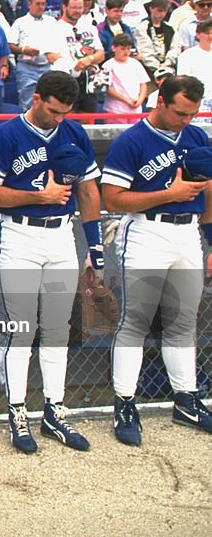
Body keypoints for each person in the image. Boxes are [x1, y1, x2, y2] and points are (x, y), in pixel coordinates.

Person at [0, 71, 102, 454]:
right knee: (22, 328)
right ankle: (17, 411)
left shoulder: (73, 132)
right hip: (20, 235)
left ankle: (54, 410)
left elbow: (87, 190)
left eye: (65, 112)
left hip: (62, 235)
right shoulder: (5, 135)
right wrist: (39, 197)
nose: (59, 118)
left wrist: (95, 246)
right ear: (37, 98)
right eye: (54, 110)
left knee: (58, 327)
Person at [101, 76, 212, 445]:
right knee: (136, 321)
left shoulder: (196, 136)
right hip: (146, 231)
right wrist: (169, 193)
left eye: (192, 113)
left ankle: (186, 400)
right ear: (160, 101)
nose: (185, 120)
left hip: (188, 232)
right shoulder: (131, 140)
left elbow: (210, 191)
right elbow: (113, 199)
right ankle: (124, 403)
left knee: (183, 321)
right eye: (180, 112)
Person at [9, 0, 60, 110]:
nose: (41, 7)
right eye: (38, 4)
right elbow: (10, 45)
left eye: (43, 4)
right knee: (27, 103)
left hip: (47, 67)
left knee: (48, 102)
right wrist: (23, 50)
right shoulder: (20, 22)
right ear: (29, 4)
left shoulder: (52, 22)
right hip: (27, 68)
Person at [102, 33, 150, 122]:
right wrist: (126, 100)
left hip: (135, 110)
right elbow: (108, 88)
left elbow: (143, 84)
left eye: (128, 48)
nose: (126, 52)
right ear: (114, 48)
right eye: (122, 49)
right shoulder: (108, 65)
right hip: (115, 110)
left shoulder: (136, 63)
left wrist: (140, 100)